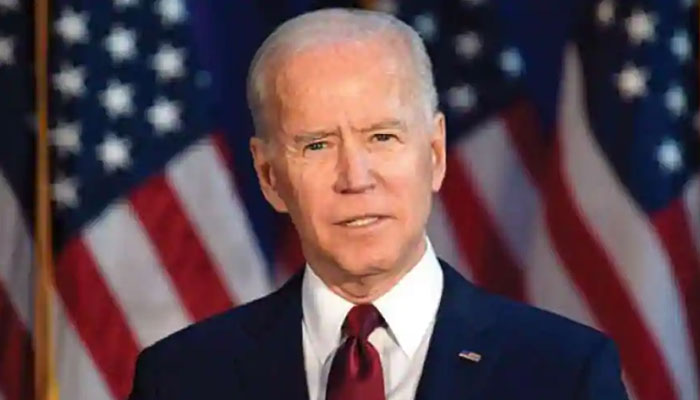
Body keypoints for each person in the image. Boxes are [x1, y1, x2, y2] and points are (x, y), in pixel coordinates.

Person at [128, 8, 628, 400]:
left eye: (382, 137)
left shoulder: (563, 374)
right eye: (317, 145)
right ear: (270, 177)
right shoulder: (181, 378)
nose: (355, 178)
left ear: (434, 154)